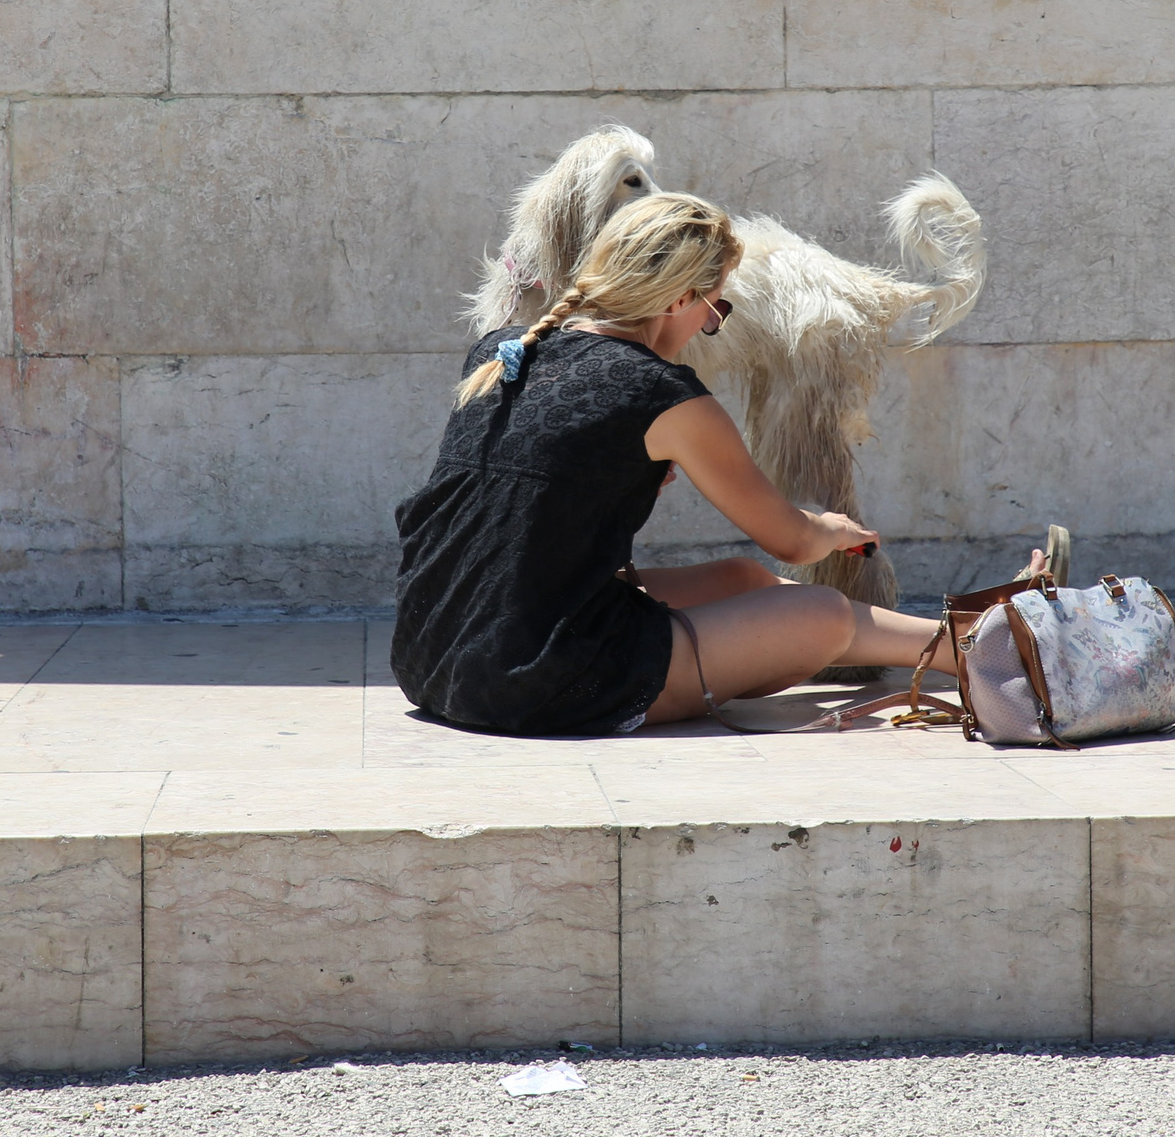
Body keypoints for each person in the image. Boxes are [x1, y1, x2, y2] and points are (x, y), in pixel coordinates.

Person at [391, 192, 958, 736]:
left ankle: (962, 642)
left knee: (741, 581)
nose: (710, 327)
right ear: (679, 300)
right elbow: (793, 541)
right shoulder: (660, 392)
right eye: (716, 309)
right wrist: (832, 530)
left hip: (431, 655)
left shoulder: (505, 351)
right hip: (537, 678)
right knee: (824, 614)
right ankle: (976, 647)